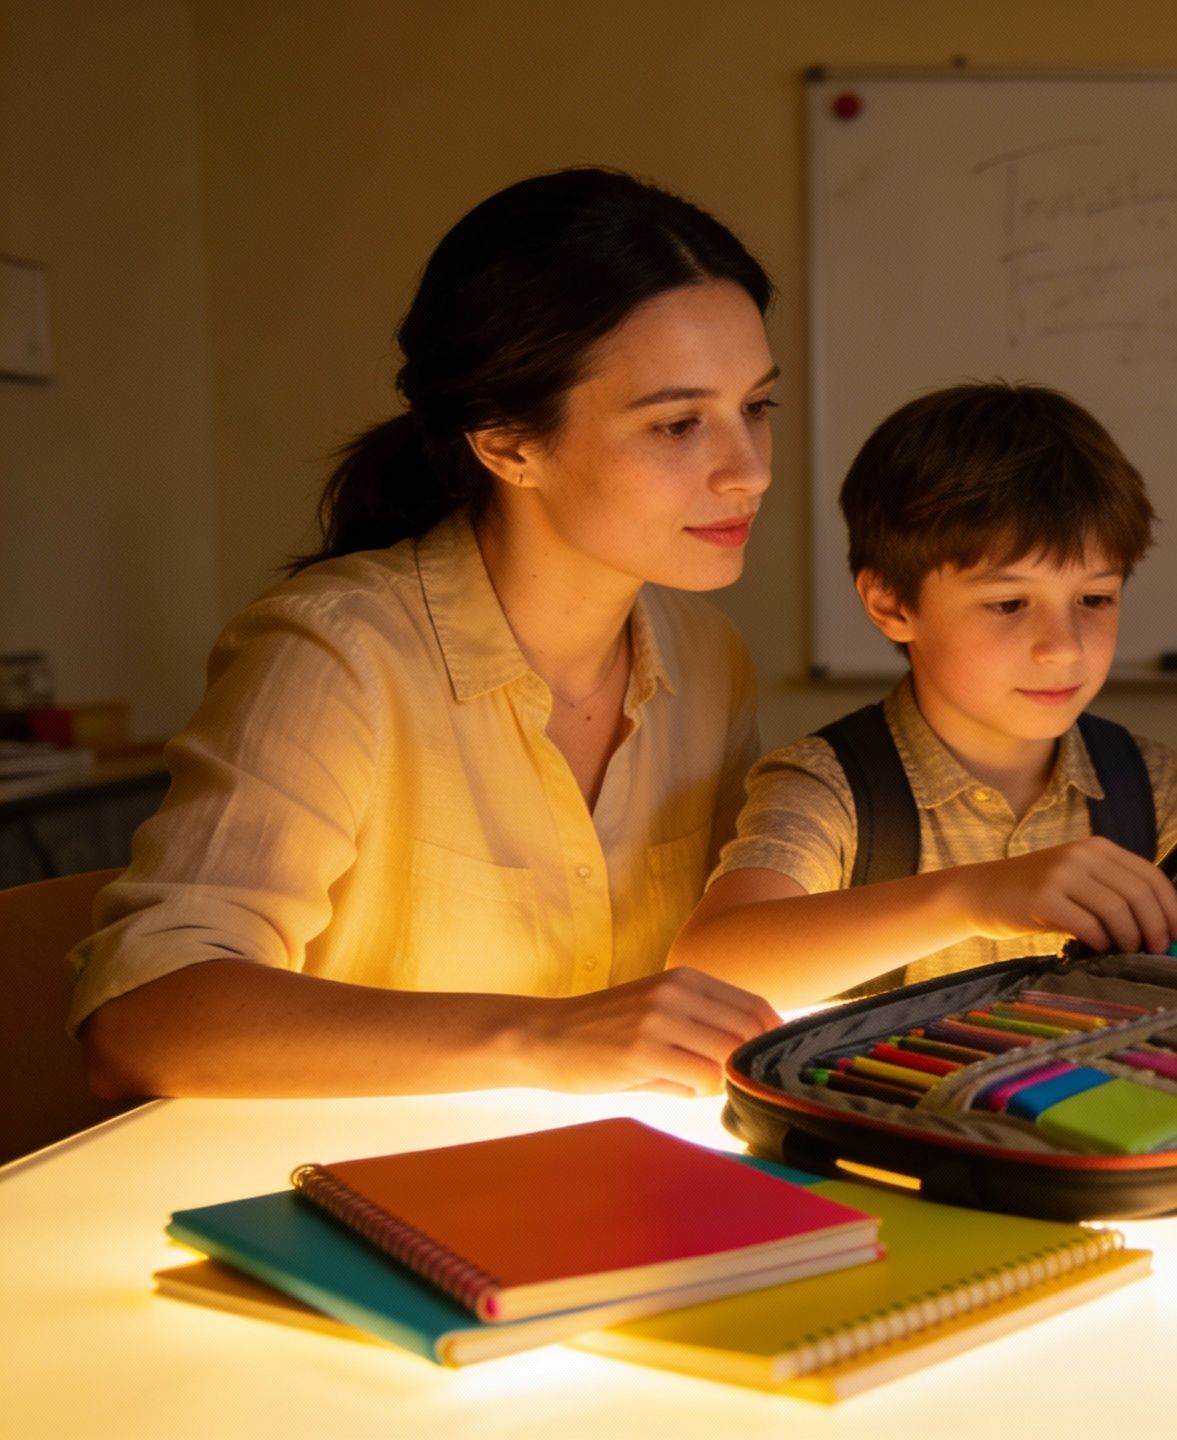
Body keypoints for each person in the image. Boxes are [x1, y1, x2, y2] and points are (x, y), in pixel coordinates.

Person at [72, 168, 786, 1099]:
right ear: (505, 443)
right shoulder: (334, 654)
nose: (748, 472)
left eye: (758, 409)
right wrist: (545, 1037)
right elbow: (141, 1020)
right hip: (339, 1193)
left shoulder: (706, 658)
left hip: (608, 1176)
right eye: (680, 423)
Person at [669, 383, 1177, 1008]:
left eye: (1094, 599)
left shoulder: (1149, 783)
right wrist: (974, 896)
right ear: (891, 604)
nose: (1063, 648)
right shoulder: (830, 785)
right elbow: (708, 968)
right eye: (1008, 604)